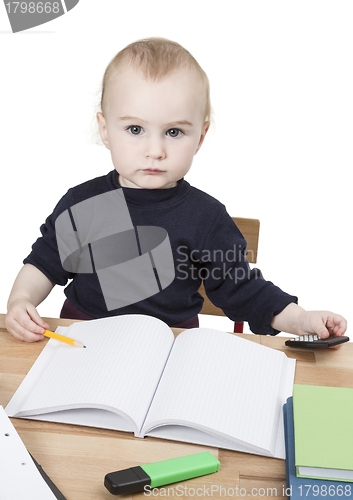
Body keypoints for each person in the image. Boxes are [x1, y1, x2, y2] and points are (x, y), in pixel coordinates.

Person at [6, 37, 347, 343]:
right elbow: (43, 265)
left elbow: (243, 290)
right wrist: (21, 300)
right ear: (106, 130)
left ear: (200, 137)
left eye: (173, 132)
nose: (155, 150)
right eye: (135, 129)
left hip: (170, 351)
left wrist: (300, 319)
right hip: (83, 344)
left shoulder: (206, 218)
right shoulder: (84, 204)